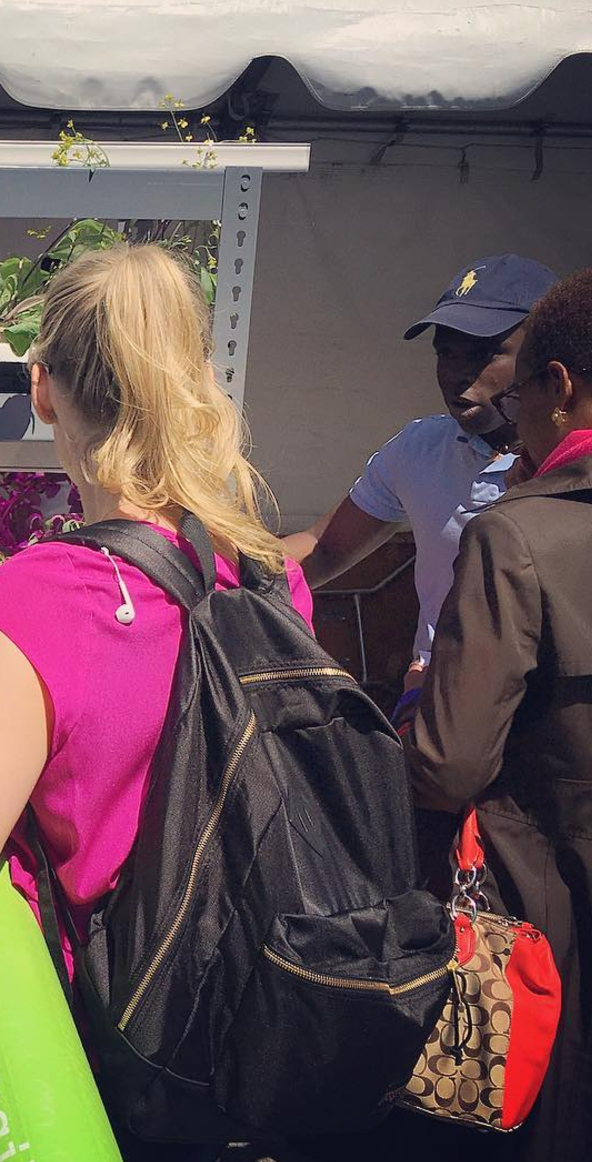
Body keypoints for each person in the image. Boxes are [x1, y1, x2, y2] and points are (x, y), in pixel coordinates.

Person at [0, 244, 314, 1158]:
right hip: (267, 1026)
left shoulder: (40, 600)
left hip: (130, 1055)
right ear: (194, 374)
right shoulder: (267, 576)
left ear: (42, 388)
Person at [405, 269, 592, 1162]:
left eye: (518, 389)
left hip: (546, 915)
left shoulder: (517, 534)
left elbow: (448, 766)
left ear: (557, 388)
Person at [284, 255, 556, 694]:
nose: (456, 374)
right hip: (434, 710)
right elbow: (324, 547)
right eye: (446, 353)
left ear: (546, 357)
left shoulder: (573, 468)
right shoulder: (419, 450)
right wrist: (216, 577)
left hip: (549, 725)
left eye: (484, 353)